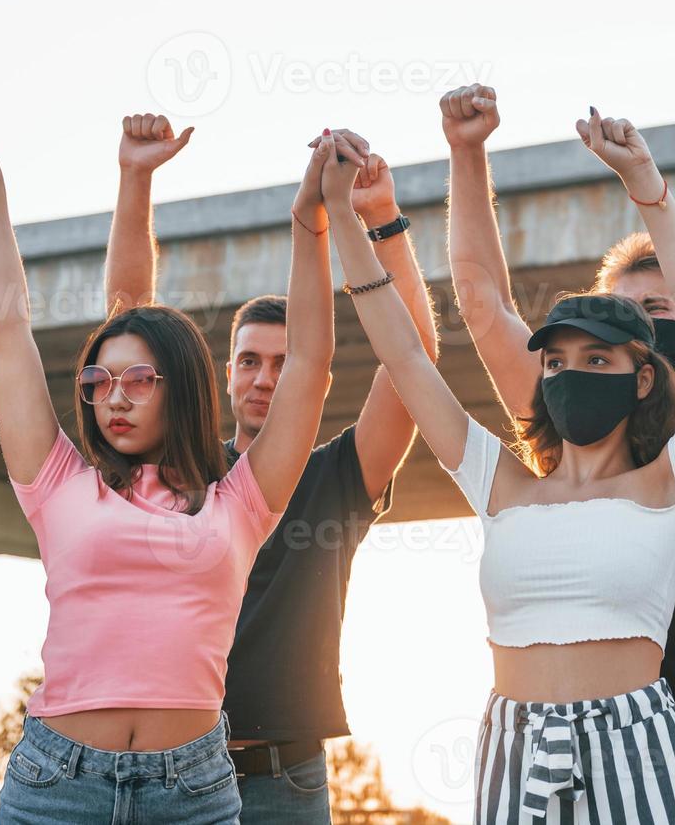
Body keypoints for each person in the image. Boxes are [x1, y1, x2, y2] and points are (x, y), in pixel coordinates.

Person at [439, 84, 675, 825]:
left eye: (661, 310)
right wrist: (467, 152)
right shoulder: (568, 429)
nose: (643, 328)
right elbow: (484, 303)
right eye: (627, 316)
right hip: (555, 745)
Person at [327, 110, 675, 823]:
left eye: (597, 359)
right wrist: (346, 218)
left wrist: (643, 181)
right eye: (556, 362)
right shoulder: (502, 485)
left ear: (641, 378)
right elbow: (408, 355)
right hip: (514, 745)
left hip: (635, 744)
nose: (571, 375)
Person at [0, 109, 336, 824]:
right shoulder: (57, 483)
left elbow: (310, 363)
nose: (112, 398)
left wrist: (311, 222)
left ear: (180, 386)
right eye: (99, 382)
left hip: (192, 788)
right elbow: (6, 326)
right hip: (58, 782)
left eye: (138, 380)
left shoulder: (239, 500)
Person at [101, 115, 439, 824]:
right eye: (250, 360)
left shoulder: (337, 478)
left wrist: (379, 217)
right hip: (168, 777)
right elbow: (126, 323)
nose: (264, 378)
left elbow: (414, 361)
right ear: (225, 376)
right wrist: (136, 179)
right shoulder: (177, 472)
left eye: (284, 362)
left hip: (285, 783)